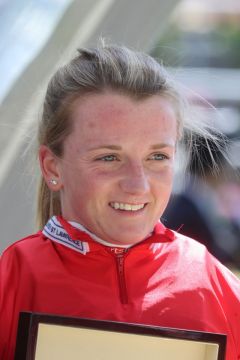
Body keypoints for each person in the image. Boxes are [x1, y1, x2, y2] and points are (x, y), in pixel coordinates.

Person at [0, 42, 239, 360]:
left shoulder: (212, 284)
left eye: (157, 156)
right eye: (109, 157)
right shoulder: (13, 281)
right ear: (52, 166)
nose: (137, 184)